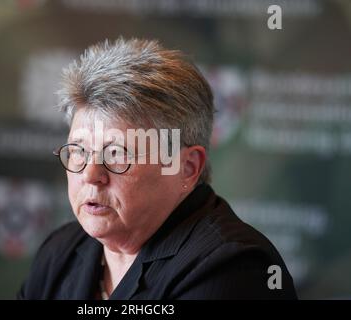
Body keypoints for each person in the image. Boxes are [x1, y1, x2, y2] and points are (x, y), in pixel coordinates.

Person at [18, 38, 297, 299]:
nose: (90, 175)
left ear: (187, 168)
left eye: (116, 153)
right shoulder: (61, 251)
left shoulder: (232, 268)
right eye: (78, 152)